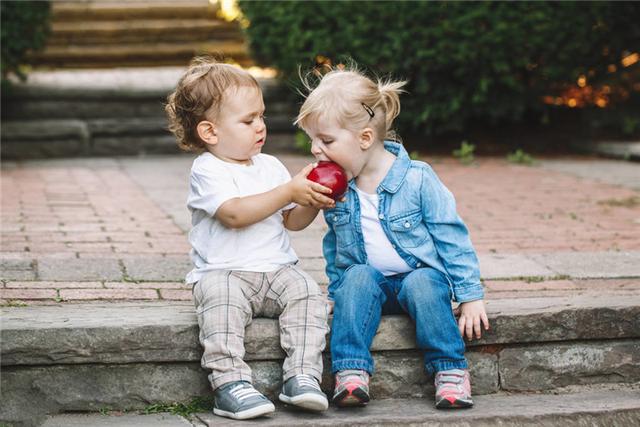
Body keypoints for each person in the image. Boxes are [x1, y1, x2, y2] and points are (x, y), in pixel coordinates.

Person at [295, 66, 490, 409]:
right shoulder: (340, 187)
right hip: (371, 285)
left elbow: (451, 237)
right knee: (356, 277)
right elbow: (336, 245)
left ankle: (450, 370)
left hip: (418, 280)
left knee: (425, 283)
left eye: (326, 141)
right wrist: (336, 291)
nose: (315, 150)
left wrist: (470, 295)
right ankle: (351, 372)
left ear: (365, 138)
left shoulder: (417, 178)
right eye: (313, 140)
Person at [165, 57, 335, 420]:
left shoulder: (270, 165)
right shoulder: (208, 169)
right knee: (220, 304)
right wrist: (289, 190)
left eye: (261, 116)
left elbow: (291, 221)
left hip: (276, 270)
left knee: (308, 294)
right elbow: (234, 214)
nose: (260, 126)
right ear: (210, 132)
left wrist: (312, 199)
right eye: (248, 120)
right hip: (224, 273)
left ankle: (302, 376)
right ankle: (230, 384)